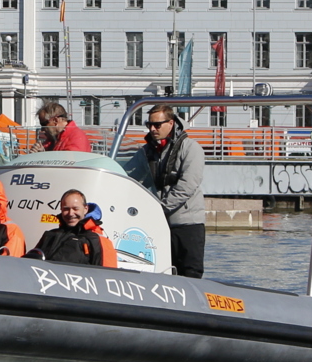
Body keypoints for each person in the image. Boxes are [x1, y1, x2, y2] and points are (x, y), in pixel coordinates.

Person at [128, 104, 205, 278]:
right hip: (159, 224)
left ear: (171, 123)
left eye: (157, 125)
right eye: (149, 125)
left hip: (187, 223)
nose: (152, 129)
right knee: (161, 271)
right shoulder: (147, 151)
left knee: (190, 272)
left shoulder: (191, 148)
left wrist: (160, 208)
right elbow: (130, 175)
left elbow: (188, 184)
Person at [25, 190, 116, 267]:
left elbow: (107, 277)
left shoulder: (98, 240)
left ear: (85, 209)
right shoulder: (50, 235)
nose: (70, 213)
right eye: (66, 209)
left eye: (75, 209)